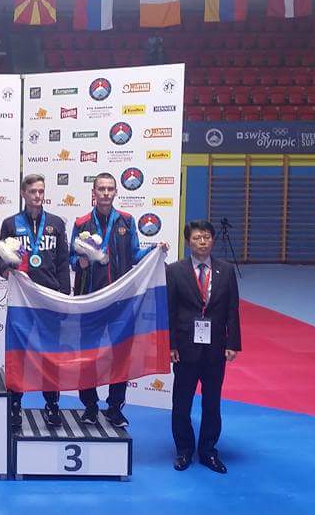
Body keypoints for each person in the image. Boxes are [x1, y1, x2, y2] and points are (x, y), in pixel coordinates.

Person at [70, 173, 167, 427]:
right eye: (101, 189)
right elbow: (70, 258)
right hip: (90, 300)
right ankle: (90, 407)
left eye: (110, 189)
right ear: (93, 192)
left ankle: (115, 407)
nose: (105, 193)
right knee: (88, 355)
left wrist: (155, 249)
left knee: (120, 355)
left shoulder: (127, 220)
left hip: (120, 301)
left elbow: (134, 254)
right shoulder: (81, 223)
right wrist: (80, 261)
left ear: (116, 192)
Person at [0, 174, 70, 429]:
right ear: (23, 194)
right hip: (21, 300)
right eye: (33, 191)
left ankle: (52, 405)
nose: (38, 196)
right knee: (20, 354)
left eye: (41, 191)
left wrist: (64, 297)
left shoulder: (56, 224)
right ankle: (15, 405)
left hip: (49, 298)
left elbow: (62, 263)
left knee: (50, 355)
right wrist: (4, 270)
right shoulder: (10, 224)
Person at [166, 219, 241, 474]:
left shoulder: (226, 271)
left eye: (207, 237)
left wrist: (233, 343)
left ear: (213, 240)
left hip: (215, 347)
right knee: (182, 403)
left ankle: (208, 451)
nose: (202, 242)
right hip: (185, 347)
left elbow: (232, 309)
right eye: (197, 238)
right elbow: (170, 310)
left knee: (212, 403)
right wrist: (171, 345)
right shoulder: (175, 271)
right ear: (188, 242)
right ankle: (184, 450)